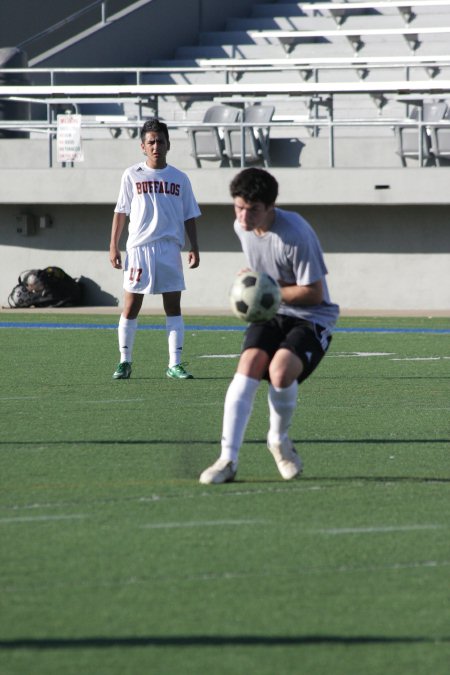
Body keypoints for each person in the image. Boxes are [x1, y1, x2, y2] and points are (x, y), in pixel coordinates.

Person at [199, 168, 339, 484]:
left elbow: (313, 292)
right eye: (238, 207)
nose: (244, 216)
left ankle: (278, 440)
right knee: (248, 365)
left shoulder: (296, 234)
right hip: (271, 311)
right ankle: (227, 459)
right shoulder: (242, 227)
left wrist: (266, 289)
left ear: (270, 207)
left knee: (280, 371)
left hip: (311, 316)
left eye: (253, 209)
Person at [109, 118, 201, 380]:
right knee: (131, 305)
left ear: (168, 144)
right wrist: (113, 246)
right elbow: (120, 212)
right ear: (142, 146)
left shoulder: (180, 178)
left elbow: (189, 215)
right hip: (139, 248)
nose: (156, 146)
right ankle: (124, 361)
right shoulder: (131, 175)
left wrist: (195, 246)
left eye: (160, 141)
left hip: (170, 248)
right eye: (151, 142)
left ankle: (175, 364)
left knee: (173, 306)